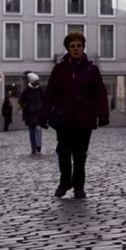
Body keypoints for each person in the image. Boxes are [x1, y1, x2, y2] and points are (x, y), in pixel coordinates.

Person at [46, 31, 107, 198]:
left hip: (84, 119)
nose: (76, 49)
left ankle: (79, 186)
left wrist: (103, 114)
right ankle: (65, 181)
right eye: (72, 46)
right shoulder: (59, 69)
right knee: (63, 152)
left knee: (80, 155)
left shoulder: (91, 69)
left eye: (79, 46)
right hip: (63, 118)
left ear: (83, 47)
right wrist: (43, 115)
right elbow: (50, 93)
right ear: (67, 49)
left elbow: (100, 93)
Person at [19, 73, 46, 154]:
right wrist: (27, 107)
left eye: (38, 81)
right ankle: (33, 147)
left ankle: (38, 145)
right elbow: (21, 101)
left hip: (38, 114)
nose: (38, 82)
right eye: (37, 81)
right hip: (29, 115)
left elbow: (45, 100)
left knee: (38, 129)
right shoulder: (26, 91)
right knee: (31, 132)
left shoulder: (40, 90)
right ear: (32, 81)